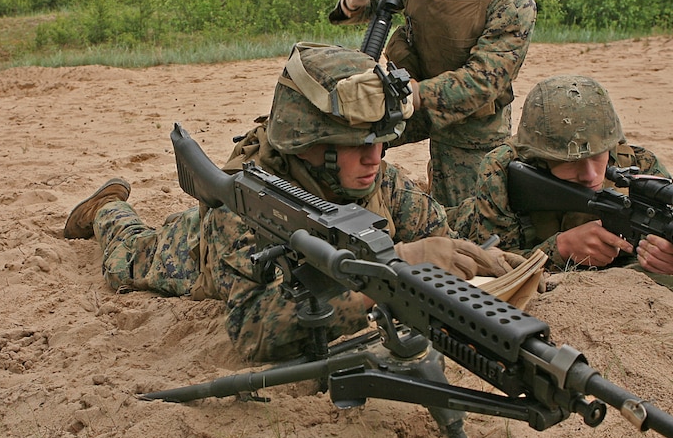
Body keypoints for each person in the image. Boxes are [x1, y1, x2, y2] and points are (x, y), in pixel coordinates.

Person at [64, 42, 530, 362]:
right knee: (128, 255)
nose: (376, 158)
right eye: (358, 144)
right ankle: (106, 207)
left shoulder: (378, 181)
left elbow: (443, 237)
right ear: (309, 142)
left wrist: (496, 263)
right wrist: (392, 274)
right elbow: (252, 330)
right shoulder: (243, 208)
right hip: (198, 256)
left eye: (381, 143)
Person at [329, 0, 537, 208]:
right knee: (338, 142)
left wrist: (418, 93)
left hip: (472, 126)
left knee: (465, 222)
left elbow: (484, 80)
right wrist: (352, 3)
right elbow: (375, 5)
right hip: (410, 95)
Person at [447, 74, 673, 274]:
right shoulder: (502, 171)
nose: (590, 175)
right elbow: (492, 264)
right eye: (571, 162)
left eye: (597, 156)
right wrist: (560, 249)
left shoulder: (639, 168)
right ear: (538, 157)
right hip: (460, 227)